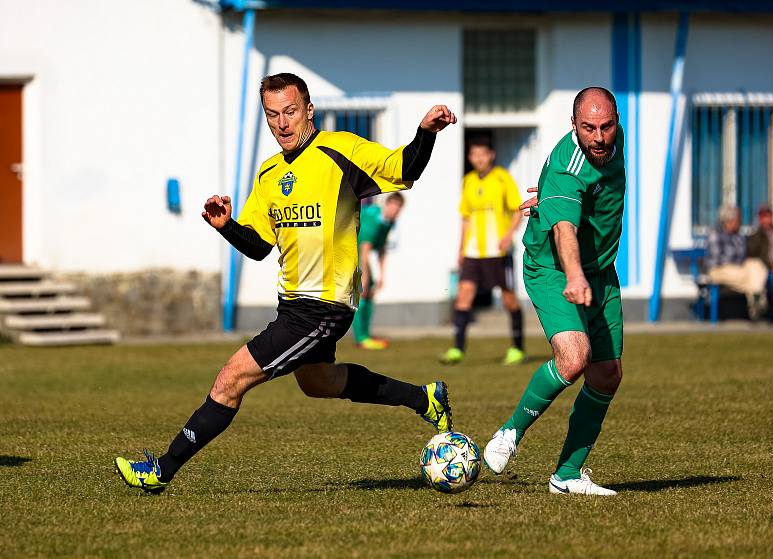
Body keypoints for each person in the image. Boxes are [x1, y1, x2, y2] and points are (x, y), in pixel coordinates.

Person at [114, 73, 456, 493]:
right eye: (272, 115)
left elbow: (405, 168)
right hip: (291, 305)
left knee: (231, 378)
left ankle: (161, 470)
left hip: (325, 306)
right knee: (320, 384)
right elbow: (259, 246)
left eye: (290, 112)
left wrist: (425, 132)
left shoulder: (340, 149)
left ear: (308, 110)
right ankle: (424, 398)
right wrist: (226, 226)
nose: (282, 123)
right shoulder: (269, 173)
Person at [482, 87, 626, 496]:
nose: (598, 137)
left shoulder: (613, 142)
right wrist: (575, 276)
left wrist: (544, 194)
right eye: (588, 128)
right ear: (573, 125)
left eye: (606, 126)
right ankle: (509, 433)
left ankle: (567, 475)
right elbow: (564, 231)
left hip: (601, 272)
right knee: (575, 356)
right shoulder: (570, 167)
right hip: (553, 269)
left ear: (617, 121)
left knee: (607, 374)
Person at [440, 137, 525, 366]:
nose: (479, 158)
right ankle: (457, 349)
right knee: (464, 295)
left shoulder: (502, 178)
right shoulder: (467, 180)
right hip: (472, 252)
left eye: (483, 154)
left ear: (491, 155)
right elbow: (466, 218)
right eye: (474, 154)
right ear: (470, 157)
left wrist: (508, 236)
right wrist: (460, 248)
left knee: (508, 299)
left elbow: (517, 211)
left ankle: (517, 348)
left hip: (498, 251)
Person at [353, 193, 405, 349]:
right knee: (361, 291)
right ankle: (361, 338)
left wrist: (382, 275)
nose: (395, 211)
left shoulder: (389, 223)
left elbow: (381, 249)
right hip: (352, 253)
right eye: (393, 206)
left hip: (361, 255)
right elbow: (365, 248)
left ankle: (367, 334)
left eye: (398, 208)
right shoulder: (374, 218)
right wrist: (365, 276)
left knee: (369, 291)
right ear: (387, 204)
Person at [706, 205, 768, 319]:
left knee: (757, 265)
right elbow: (718, 259)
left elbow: (744, 255)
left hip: (738, 269)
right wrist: (737, 262)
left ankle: (756, 300)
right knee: (746, 274)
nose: (740, 222)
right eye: (738, 219)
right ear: (729, 220)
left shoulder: (738, 236)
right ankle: (757, 300)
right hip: (718, 269)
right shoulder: (715, 234)